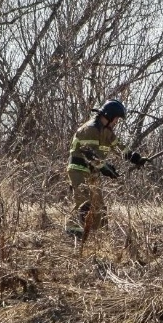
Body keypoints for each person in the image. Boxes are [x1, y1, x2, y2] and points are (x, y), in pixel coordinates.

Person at [66, 99, 148, 236]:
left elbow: (120, 148)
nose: (117, 122)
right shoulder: (90, 129)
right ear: (109, 116)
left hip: (93, 171)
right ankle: (73, 233)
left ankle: (99, 236)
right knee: (83, 202)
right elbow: (90, 155)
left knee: (99, 206)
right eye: (116, 119)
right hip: (78, 169)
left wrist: (136, 158)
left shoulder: (107, 132)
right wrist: (106, 168)